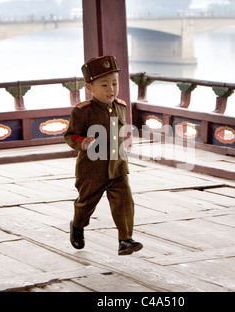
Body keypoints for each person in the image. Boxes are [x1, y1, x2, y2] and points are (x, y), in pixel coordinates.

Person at [64, 55, 143, 255]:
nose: (111, 89)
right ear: (90, 88)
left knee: (124, 202)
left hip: (117, 166)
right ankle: (78, 225)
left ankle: (125, 240)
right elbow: (70, 135)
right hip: (92, 170)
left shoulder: (121, 107)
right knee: (86, 203)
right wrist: (82, 142)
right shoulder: (82, 111)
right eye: (104, 85)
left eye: (115, 84)